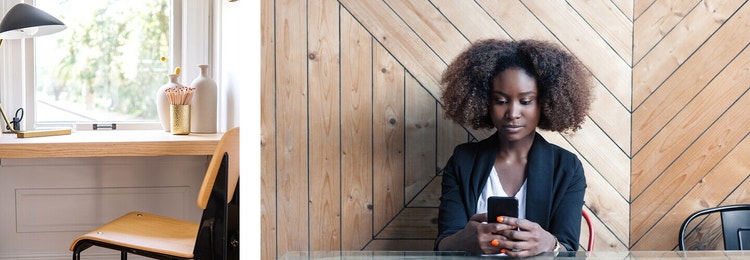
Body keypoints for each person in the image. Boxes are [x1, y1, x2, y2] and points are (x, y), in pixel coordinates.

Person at [435, 39, 594, 257]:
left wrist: (550, 244)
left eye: (526, 101)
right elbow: (443, 244)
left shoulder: (566, 167)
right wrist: (463, 240)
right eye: (500, 101)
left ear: (544, 104)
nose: (512, 113)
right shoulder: (463, 161)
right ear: (485, 103)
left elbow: (568, 249)